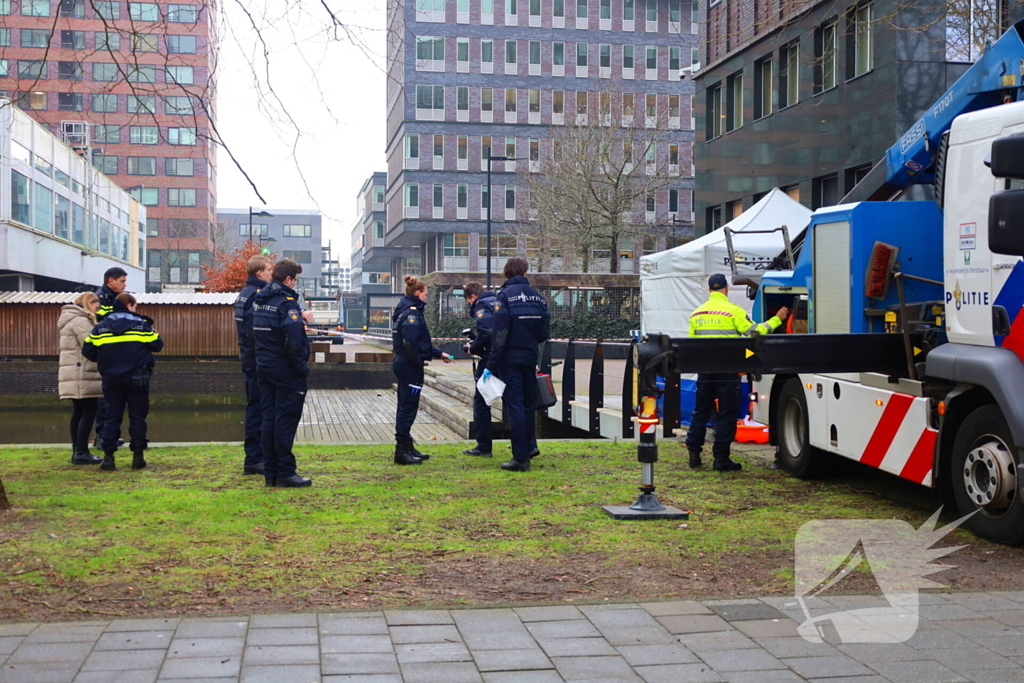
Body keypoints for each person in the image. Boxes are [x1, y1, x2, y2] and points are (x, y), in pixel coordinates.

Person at [686, 273, 788, 472]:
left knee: (700, 412)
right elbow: (755, 332)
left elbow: (692, 345)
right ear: (726, 289)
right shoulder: (733, 312)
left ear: (709, 290)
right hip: (728, 371)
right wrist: (777, 319)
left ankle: (694, 455)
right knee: (727, 413)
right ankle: (721, 459)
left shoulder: (696, 314)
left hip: (705, 372)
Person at [82, 292, 164, 472]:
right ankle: (138, 457)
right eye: (134, 306)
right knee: (138, 417)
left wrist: (106, 361)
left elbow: (87, 349)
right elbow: (158, 345)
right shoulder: (141, 326)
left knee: (111, 418)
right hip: (137, 378)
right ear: (129, 306)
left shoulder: (101, 327)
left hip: (111, 379)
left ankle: (108, 458)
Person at [485, 258, 550, 472]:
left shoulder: (504, 297)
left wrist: (491, 364)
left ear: (507, 273)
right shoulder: (539, 297)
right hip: (530, 357)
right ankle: (530, 446)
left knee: (515, 405)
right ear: (525, 272)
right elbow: (544, 333)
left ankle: (520, 458)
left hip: (510, 359)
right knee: (529, 404)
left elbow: (500, 334)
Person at [253, 260, 313, 487]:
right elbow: (294, 342)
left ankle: (271, 473)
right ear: (288, 279)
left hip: (264, 367)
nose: (295, 283)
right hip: (286, 371)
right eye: (295, 279)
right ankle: (286, 472)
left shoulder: (261, 301)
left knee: (269, 421)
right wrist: (301, 369)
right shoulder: (287, 304)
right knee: (285, 422)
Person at [392, 276, 454, 465]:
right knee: (408, 407)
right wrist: (418, 362)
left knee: (406, 405)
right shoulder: (412, 314)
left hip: (405, 363)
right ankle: (402, 450)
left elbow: (419, 343)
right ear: (418, 293)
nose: (426, 298)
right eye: (425, 294)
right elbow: (412, 344)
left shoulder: (405, 310)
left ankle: (407, 445)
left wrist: (439, 353)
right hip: (409, 366)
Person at [234, 255, 274, 477]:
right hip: (257, 360)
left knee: (255, 407)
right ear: (259, 273)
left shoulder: (243, 294)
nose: (271, 274)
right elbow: (255, 331)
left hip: (249, 358)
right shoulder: (256, 296)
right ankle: (254, 459)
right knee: (258, 410)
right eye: (269, 270)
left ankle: (255, 457)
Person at [58, 292, 104, 465]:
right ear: (88, 304)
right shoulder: (81, 321)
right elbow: (91, 343)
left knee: (78, 411)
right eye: (95, 307)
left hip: (73, 372)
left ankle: (77, 451)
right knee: (89, 411)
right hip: (82, 372)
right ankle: (82, 452)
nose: (96, 311)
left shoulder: (70, 319)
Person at [91, 267, 128, 451]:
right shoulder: (101, 299)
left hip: (112, 353)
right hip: (106, 353)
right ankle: (102, 436)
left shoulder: (113, 297)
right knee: (104, 399)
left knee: (111, 399)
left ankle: (109, 435)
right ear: (110, 281)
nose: (124, 285)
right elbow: (102, 324)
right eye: (122, 281)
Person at [462, 282, 498, 457]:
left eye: (469, 302)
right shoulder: (499, 301)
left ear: (473, 296)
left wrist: (474, 348)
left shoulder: (481, 305)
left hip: (491, 359)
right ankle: (524, 446)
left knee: (482, 401)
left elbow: (486, 331)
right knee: (514, 401)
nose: (470, 305)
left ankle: (483, 447)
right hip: (509, 357)